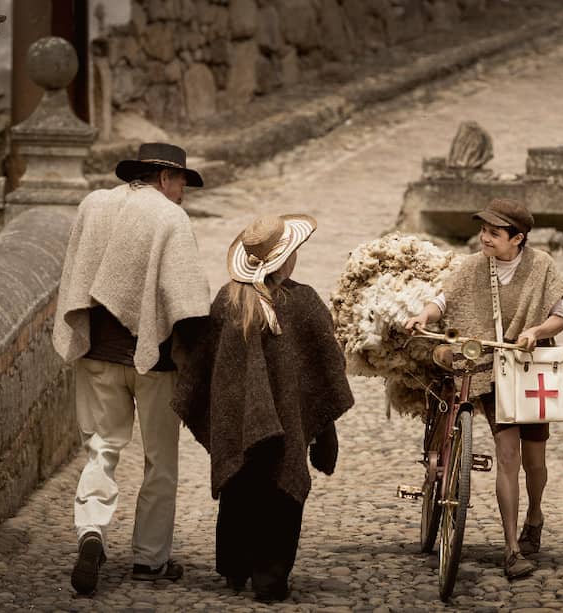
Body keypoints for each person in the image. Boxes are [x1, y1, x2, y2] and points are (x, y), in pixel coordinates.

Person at [53, 143, 211, 595]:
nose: (183, 192)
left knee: (100, 450)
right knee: (160, 461)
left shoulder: (93, 205)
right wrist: (200, 361)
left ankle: (91, 531)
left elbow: (76, 278)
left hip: (97, 355)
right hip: (155, 363)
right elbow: (186, 302)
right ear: (163, 177)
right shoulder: (169, 217)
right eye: (181, 182)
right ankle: (150, 560)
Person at [172, 214, 355, 602]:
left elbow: (201, 368)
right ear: (286, 259)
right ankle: (270, 576)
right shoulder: (304, 302)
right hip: (287, 431)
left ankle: (235, 567)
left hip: (237, 426)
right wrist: (320, 427)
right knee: (281, 489)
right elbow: (327, 367)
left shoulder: (227, 301)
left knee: (239, 484)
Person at [404, 198, 563, 580]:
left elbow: (559, 318)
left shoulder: (542, 266)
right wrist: (423, 315)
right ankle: (511, 549)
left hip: (529, 370)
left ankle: (535, 515)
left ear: (518, 238)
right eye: (483, 230)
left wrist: (535, 331)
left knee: (534, 461)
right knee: (507, 455)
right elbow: (443, 300)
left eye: (494, 233)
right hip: (491, 370)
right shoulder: (473, 267)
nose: (485, 238)